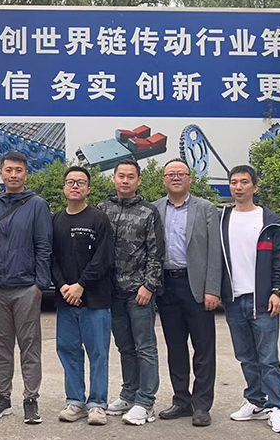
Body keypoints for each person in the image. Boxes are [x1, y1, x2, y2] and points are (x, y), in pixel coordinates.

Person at [221, 165, 280, 434]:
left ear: (255, 187)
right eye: (234, 182)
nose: (238, 187)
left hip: (262, 300)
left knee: (268, 358)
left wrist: (278, 291)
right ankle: (255, 400)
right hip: (234, 299)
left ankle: (275, 407)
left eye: (244, 182)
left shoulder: (269, 221)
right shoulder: (223, 219)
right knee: (245, 356)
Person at [0, 151, 52, 425]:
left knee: (29, 346)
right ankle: (3, 398)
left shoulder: (37, 205)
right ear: (1, 173)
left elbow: (44, 246)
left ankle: (31, 399)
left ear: (26, 174)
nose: (13, 175)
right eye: (8, 170)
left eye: (18, 170)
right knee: (2, 346)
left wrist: (40, 285)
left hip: (26, 287)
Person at [153, 158, 222, 427]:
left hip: (197, 287)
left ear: (190, 179)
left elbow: (215, 252)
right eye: (170, 174)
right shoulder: (155, 208)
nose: (176, 177)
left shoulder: (206, 209)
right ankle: (181, 400)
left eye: (181, 173)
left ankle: (202, 405)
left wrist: (212, 289)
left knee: (203, 348)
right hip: (167, 286)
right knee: (175, 347)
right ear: (164, 179)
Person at [99, 159, 164, 426]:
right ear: (114, 178)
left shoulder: (149, 212)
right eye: (121, 176)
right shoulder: (102, 209)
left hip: (139, 293)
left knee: (145, 347)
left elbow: (156, 253)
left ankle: (146, 401)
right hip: (112, 293)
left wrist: (149, 285)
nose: (125, 181)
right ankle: (128, 394)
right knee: (124, 347)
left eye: (130, 177)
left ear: (138, 180)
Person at [51, 166, 115, 426]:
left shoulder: (99, 219)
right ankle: (75, 401)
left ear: (88, 189)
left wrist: (81, 285)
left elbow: (103, 258)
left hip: (95, 300)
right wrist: (64, 286)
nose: (75, 186)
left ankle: (97, 404)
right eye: (70, 182)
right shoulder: (55, 220)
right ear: (64, 188)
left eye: (80, 182)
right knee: (68, 350)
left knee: (98, 352)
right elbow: (51, 258)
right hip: (66, 300)